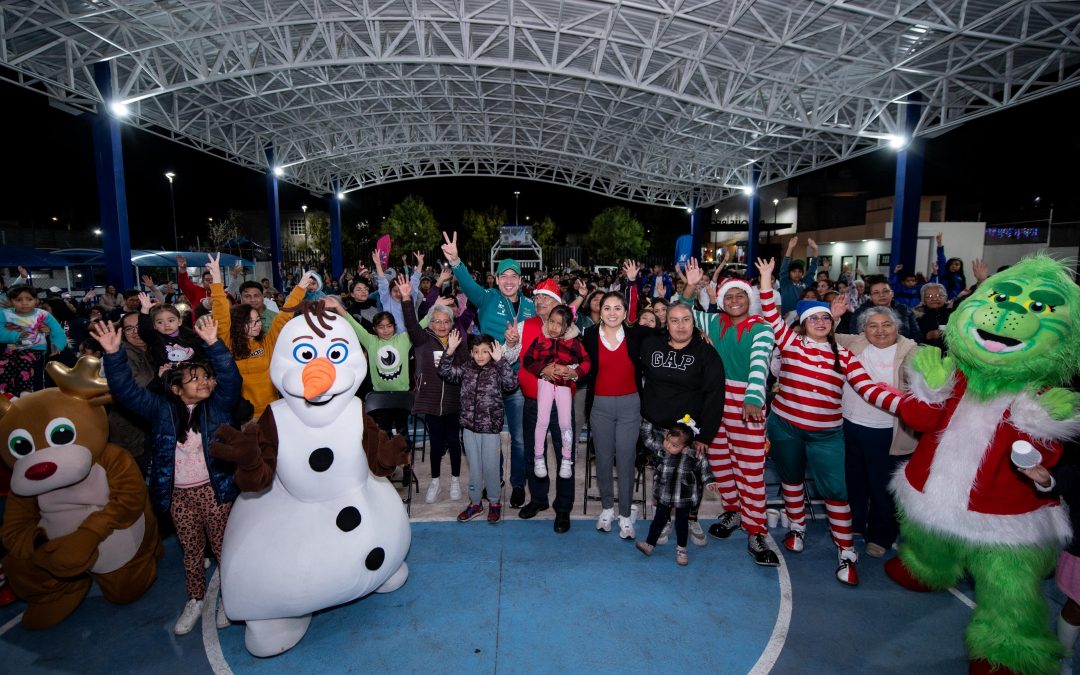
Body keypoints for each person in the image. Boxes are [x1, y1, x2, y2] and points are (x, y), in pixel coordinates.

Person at [755, 257, 902, 586]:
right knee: (791, 480)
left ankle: (846, 550)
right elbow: (769, 313)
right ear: (803, 323)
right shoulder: (791, 343)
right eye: (814, 318)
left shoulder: (844, 355)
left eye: (825, 317)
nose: (820, 322)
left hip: (827, 434)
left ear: (833, 323)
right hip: (785, 427)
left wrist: (906, 406)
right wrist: (766, 278)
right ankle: (797, 528)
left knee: (836, 491)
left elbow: (869, 389)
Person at [94, 318, 239, 636]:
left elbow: (230, 378)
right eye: (194, 379)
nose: (204, 383)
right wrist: (114, 355)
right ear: (176, 389)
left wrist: (214, 344)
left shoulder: (218, 408)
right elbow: (127, 393)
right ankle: (195, 599)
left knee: (224, 548)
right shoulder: (162, 411)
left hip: (215, 490)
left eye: (206, 377)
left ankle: (231, 598)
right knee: (191, 550)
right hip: (179, 496)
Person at [679, 260, 777, 566]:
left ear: (750, 299)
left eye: (740, 295)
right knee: (721, 463)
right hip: (715, 400)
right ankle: (733, 511)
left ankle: (756, 530)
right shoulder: (713, 322)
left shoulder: (762, 328)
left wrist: (753, 396)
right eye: (729, 296)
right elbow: (681, 312)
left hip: (746, 403)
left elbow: (760, 363)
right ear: (721, 301)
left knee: (750, 469)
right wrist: (690, 287)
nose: (734, 301)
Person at [442, 231, 535, 509]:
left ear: (520, 280)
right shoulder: (487, 298)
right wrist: (456, 261)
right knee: (491, 436)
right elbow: (467, 284)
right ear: (496, 279)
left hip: (516, 381)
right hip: (487, 383)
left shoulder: (530, 307)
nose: (509, 280)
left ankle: (518, 483)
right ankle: (495, 480)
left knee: (518, 438)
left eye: (514, 276)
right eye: (504, 276)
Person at [635, 302, 726, 546]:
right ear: (666, 324)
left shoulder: (706, 352)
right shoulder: (650, 344)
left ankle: (691, 517)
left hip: (689, 431)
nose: (680, 325)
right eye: (674, 320)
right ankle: (663, 518)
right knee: (662, 475)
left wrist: (706, 435)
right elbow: (629, 332)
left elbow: (715, 395)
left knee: (690, 477)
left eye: (686, 319)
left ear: (694, 323)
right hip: (655, 427)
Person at [834, 307, 917, 557]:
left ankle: (881, 536)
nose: (880, 331)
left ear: (897, 327)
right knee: (853, 481)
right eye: (873, 326)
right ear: (864, 330)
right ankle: (855, 524)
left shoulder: (913, 351)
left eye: (886, 325)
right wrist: (834, 316)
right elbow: (823, 335)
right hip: (850, 425)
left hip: (887, 432)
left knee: (883, 488)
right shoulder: (855, 343)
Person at [580, 261, 646, 539]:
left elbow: (664, 330)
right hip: (600, 406)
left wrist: (631, 283)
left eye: (617, 308)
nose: (612, 312)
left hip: (631, 405)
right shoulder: (588, 336)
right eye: (607, 307)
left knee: (627, 459)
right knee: (604, 459)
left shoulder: (635, 334)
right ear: (599, 310)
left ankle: (626, 514)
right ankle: (607, 508)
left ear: (624, 311)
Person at [209, 254, 309, 418]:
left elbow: (283, 317)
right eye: (251, 322)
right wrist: (216, 282)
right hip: (242, 416)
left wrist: (301, 288)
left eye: (258, 320)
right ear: (239, 324)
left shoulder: (267, 342)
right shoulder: (227, 344)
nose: (258, 325)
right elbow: (221, 316)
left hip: (272, 412)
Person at [399, 278, 468, 504]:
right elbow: (411, 323)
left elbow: (464, 368)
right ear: (430, 323)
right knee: (436, 443)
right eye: (436, 321)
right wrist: (406, 298)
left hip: (453, 400)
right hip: (430, 400)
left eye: (445, 321)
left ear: (451, 323)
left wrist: (453, 352)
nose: (441, 325)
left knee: (454, 442)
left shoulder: (458, 341)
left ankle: (455, 480)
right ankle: (436, 482)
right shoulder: (422, 339)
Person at [438, 331, 519, 523]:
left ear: (492, 352)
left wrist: (501, 361)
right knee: (474, 468)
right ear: (471, 353)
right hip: (468, 428)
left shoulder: (497, 369)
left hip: (490, 429)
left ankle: (494, 503)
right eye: (476, 351)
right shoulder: (467, 368)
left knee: (491, 467)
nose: (480, 355)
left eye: (485, 351)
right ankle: (475, 504)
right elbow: (445, 372)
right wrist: (449, 351)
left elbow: (511, 384)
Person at [522, 304, 592, 480]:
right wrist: (542, 369)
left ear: (567, 326)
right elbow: (528, 360)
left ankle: (567, 459)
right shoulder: (540, 340)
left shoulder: (574, 343)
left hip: (564, 386)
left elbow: (587, 362)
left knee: (565, 423)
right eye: (551, 321)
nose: (553, 327)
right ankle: (538, 457)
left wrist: (574, 372)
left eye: (559, 324)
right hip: (545, 383)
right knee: (542, 421)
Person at [634, 420, 715, 566]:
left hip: (684, 498)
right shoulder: (661, 449)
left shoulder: (694, 455)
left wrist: (709, 480)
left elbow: (705, 467)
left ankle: (682, 549)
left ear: (685, 447)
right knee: (658, 521)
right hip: (664, 495)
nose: (668, 446)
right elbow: (648, 440)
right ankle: (649, 544)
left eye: (674, 445)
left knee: (681, 524)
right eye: (667, 440)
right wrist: (648, 420)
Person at [107, 311, 155, 476]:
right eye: (129, 329)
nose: (135, 332)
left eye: (139, 326)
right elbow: (135, 385)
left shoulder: (158, 348)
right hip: (133, 430)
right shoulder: (122, 353)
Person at [0, 285, 68, 395]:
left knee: (24, 362)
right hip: (12, 348)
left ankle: (25, 392)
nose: (24, 303)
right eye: (18, 300)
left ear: (36, 300)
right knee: (4, 364)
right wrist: (15, 335)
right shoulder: (5, 314)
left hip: (35, 348)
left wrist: (57, 345)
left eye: (29, 299)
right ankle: (5, 392)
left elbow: (57, 331)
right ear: (11, 301)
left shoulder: (43, 314)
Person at [136, 293, 206, 379]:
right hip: (169, 380)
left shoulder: (192, 337)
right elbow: (144, 331)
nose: (166, 325)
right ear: (154, 326)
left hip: (193, 377)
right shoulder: (155, 339)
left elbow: (202, 357)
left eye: (171, 320)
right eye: (160, 322)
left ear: (179, 321)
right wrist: (145, 311)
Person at [846, 276, 921, 341]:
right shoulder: (861, 312)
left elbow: (917, 335)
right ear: (870, 297)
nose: (881, 295)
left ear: (892, 294)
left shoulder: (905, 310)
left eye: (885, 291)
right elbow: (855, 336)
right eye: (876, 292)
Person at [371, 250, 421, 334]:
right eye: (395, 291)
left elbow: (415, 280)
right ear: (390, 291)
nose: (398, 294)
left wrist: (420, 264)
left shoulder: (411, 297)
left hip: (412, 337)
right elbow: (382, 282)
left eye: (401, 291)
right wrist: (378, 264)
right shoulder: (386, 300)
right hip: (392, 338)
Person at [778, 236, 819, 314]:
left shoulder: (806, 282)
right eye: (794, 271)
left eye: (799, 271)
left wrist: (815, 249)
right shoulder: (785, 283)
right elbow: (784, 268)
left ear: (802, 273)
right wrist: (790, 248)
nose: (797, 274)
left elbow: (812, 269)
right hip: (787, 316)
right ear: (789, 273)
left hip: (803, 315)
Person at [914, 282, 951, 351]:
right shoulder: (917, 316)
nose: (934, 299)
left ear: (946, 297)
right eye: (929, 296)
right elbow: (911, 338)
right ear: (923, 300)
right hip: (927, 353)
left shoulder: (953, 313)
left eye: (939, 295)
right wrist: (927, 336)